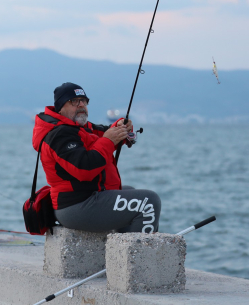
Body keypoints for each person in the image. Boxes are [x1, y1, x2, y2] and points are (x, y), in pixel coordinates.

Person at [32, 82, 160, 234]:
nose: (81, 105)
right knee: (149, 202)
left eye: (84, 100)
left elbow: (103, 132)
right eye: (74, 101)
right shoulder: (58, 135)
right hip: (76, 206)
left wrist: (121, 128)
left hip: (88, 198)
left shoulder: (79, 128)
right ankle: (140, 256)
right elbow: (84, 168)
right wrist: (109, 140)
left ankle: (122, 252)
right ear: (61, 107)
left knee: (130, 191)